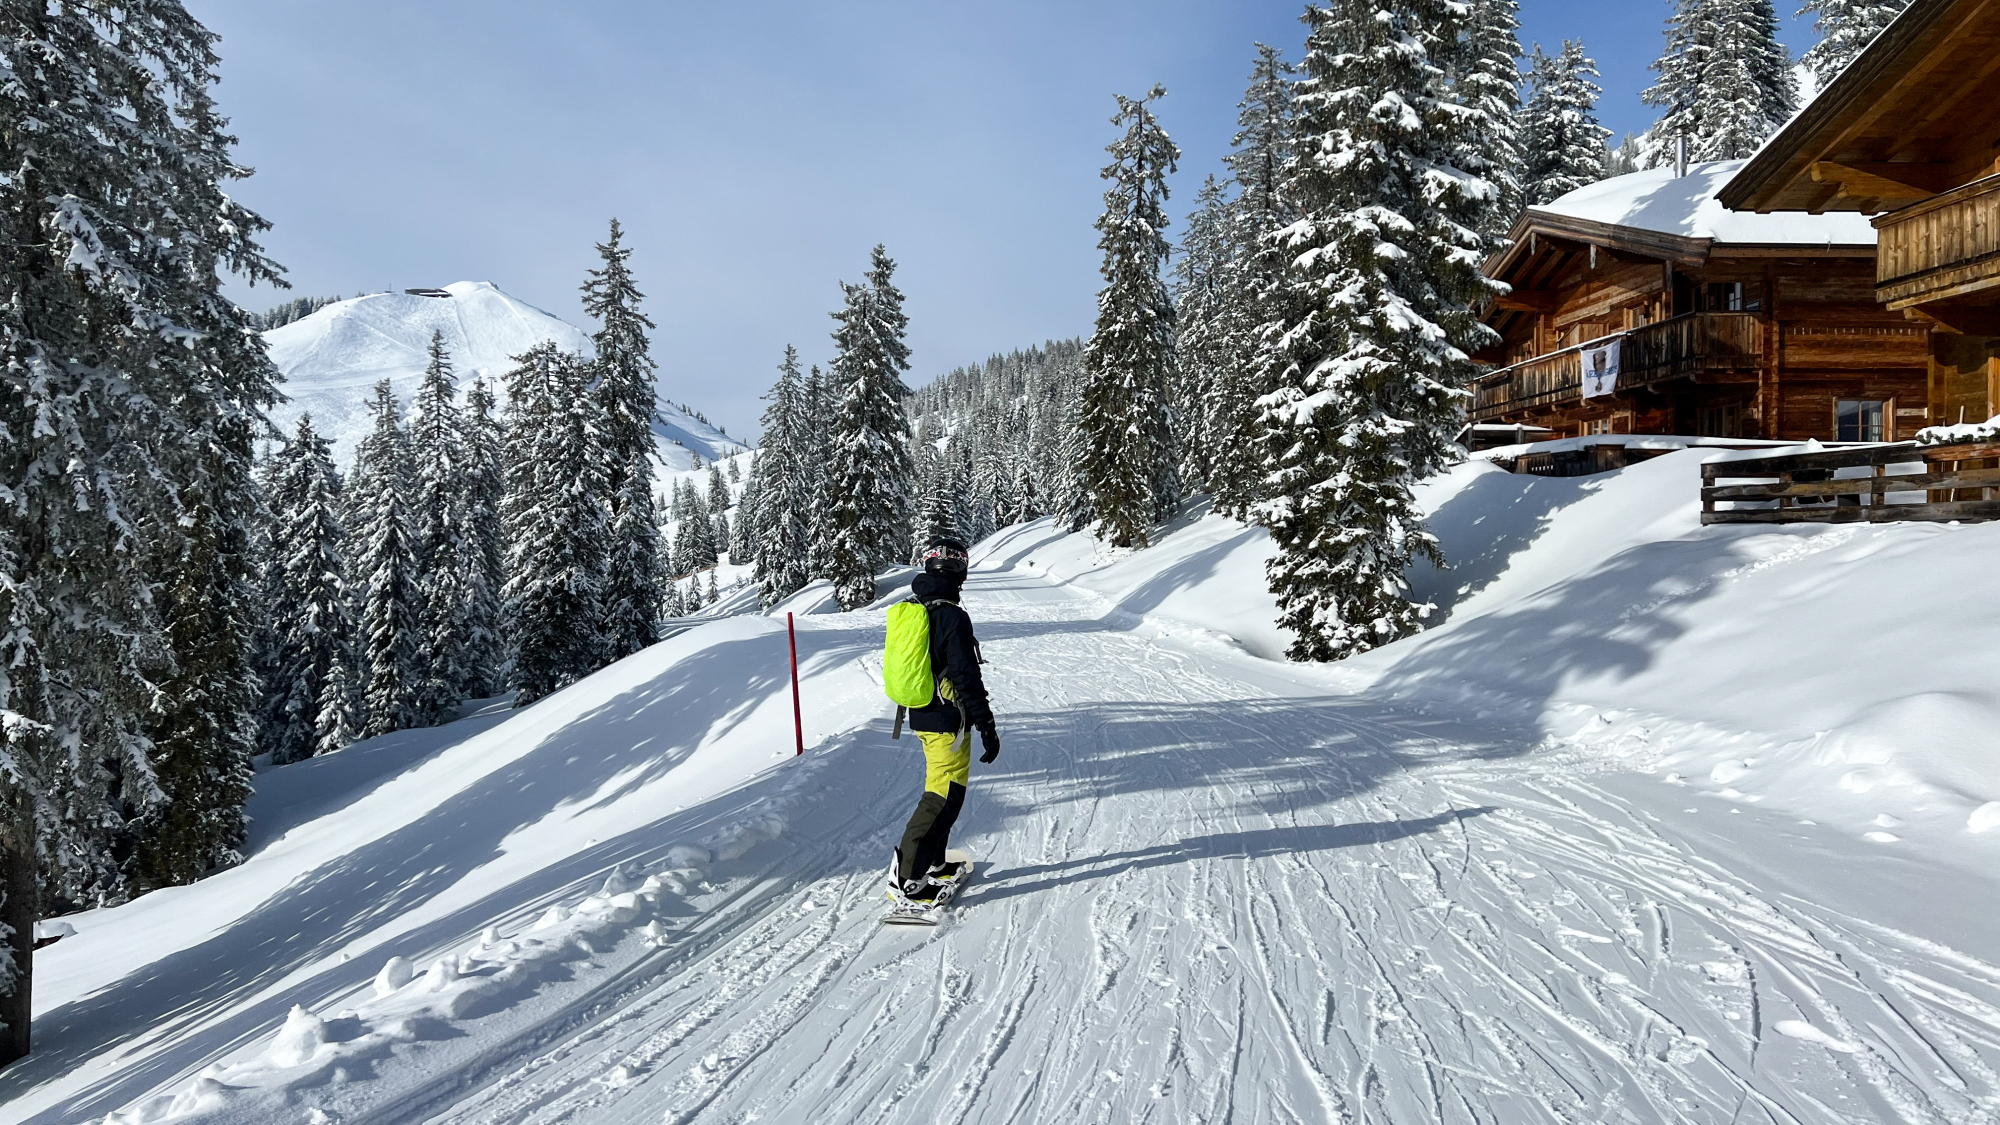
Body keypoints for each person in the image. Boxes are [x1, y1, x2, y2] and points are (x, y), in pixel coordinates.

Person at [891, 537, 999, 903]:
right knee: (943, 796)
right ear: (960, 571)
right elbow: (966, 677)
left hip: (922, 715)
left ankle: (934, 863)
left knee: (944, 789)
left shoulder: (916, 607)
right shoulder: (951, 616)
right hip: (946, 724)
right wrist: (987, 725)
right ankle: (907, 878)